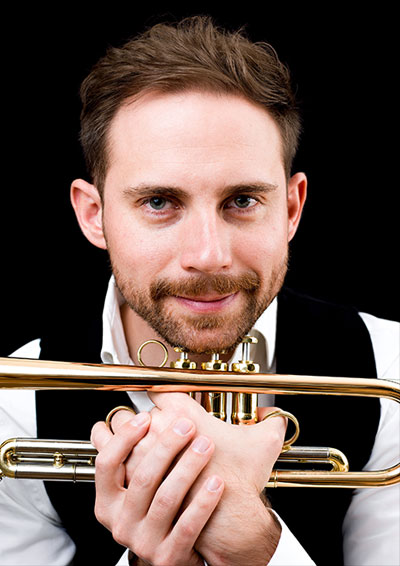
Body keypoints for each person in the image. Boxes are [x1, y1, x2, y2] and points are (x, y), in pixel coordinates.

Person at [0, 15, 399, 566]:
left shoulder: (390, 365)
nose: (208, 255)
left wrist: (256, 546)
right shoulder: (13, 408)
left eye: (242, 201)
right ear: (94, 215)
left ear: (291, 208)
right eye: (159, 202)